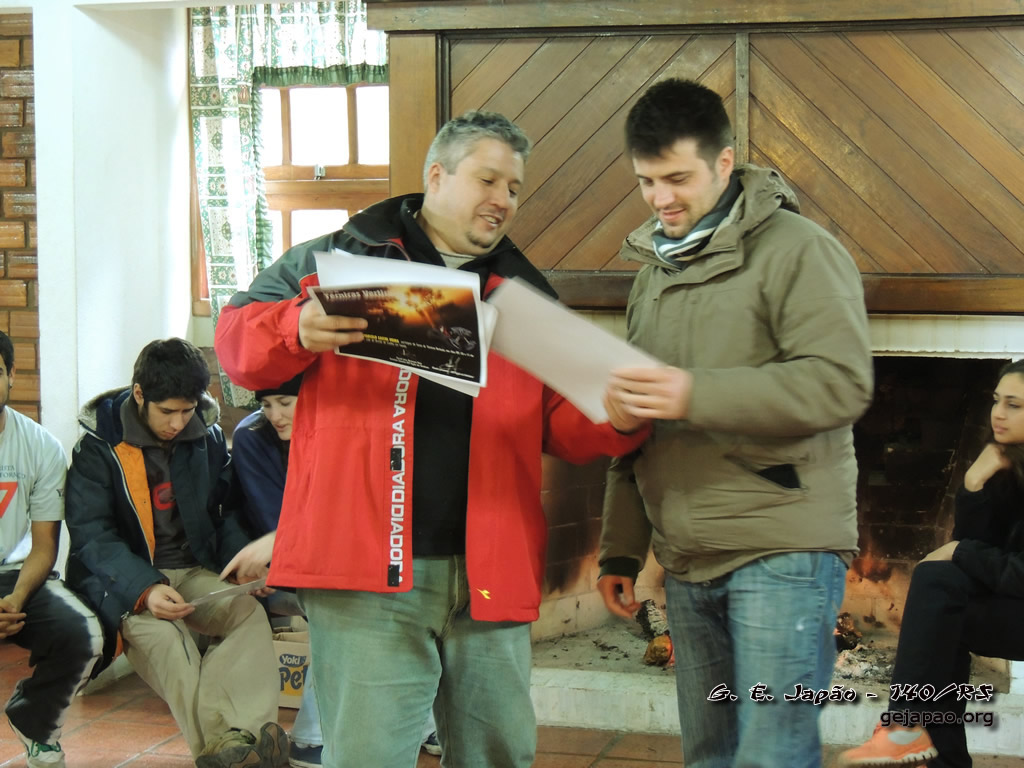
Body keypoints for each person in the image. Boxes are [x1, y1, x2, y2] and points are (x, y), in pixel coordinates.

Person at [214, 110, 650, 768]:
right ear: (437, 176)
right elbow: (236, 349)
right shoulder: (331, 264)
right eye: (488, 179)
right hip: (363, 569)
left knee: (499, 755)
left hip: (490, 569)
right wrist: (294, 326)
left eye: (514, 188)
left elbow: (560, 421)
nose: (503, 199)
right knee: (368, 759)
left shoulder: (524, 295)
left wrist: (619, 415)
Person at [597, 78, 874, 768]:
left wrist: (693, 392)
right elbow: (642, 421)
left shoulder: (800, 250)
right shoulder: (651, 276)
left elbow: (840, 383)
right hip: (688, 560)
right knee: (710, 757)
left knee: (773, 757)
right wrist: (621, 549)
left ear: (724, 163)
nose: (660, 199)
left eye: (677, 179)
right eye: (646, 181)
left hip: (783, 552)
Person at [63, 337, 288, 768]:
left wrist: (241, 562)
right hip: (125, 583)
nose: (178, 423)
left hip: (194, 568)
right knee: (172, 646)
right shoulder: (98, 447)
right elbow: (92, 536)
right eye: (167, 412)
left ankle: (239, 741)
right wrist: (146, 589)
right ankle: (231, 751)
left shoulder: (207, 436)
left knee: (248, 615)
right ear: (139, 394)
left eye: (187, 411)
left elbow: (225, 511)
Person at [224, 377, 442, 766]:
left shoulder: (338, 427)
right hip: (273, 566)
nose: (275, 415)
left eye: (285, 403)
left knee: (398, 598)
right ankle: (312, 736)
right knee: (351, 604)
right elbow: (271, 518)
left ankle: (417, 722)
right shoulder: (252, 437)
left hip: (327, 552)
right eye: (267, 405)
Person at [839, 360, 1024, 768]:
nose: (998, 413)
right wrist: (974, 483)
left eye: (1014, 405)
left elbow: (976, 557)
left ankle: (904, 728)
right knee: (939, 597)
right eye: (997, 401)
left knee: (941, 594)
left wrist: (960, 553)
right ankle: (931, 750)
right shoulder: (1007, 465)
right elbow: (974, 551)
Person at [0, 330, 104, 768]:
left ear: (11, 374)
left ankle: (37, 723)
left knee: (84, 636)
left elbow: (44, 545)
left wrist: (15, 599)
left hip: (15, 578)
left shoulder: (40, 445)